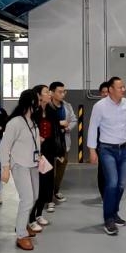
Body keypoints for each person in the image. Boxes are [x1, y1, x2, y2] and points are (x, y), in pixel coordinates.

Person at [87, 77, 126, 236]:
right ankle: (108, 219)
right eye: (120, 87)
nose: (123, 90)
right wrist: (92, 150)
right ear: (110, 90)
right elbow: (92, 128)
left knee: (121, 184)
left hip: (124, 149)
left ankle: (114, 212)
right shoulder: (100, 106)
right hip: (107, 150)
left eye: (124, 87)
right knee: (112, 183)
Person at [0, 90, 41, 251]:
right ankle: (21, 235)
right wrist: (5, 167)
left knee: (35, 196)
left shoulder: (32, 120)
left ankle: (22, 224)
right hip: (19, 164)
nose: (39, 103)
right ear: (31, 102)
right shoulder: (15, 122)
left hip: (33, 163)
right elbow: (4, 146)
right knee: (27, 199)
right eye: (37, 100)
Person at [29, 85, 65, 228]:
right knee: (35, 185)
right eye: (46, 92)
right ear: (38, 95)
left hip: (48, 152)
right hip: (35, 153)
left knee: (47, 184)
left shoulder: (52, 111)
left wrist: (59, 151)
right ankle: (30, 218)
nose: (49, 94)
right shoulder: (32, 112)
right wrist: (36, 139)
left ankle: (39, 214)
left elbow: (57, 133)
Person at [49, 81, 77, 211]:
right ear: (52, 92)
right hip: (50, 142)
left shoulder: (67, 106)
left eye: (64, 92)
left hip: (63, 141)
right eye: (60, 92)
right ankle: (47, 196)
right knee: (49, 169)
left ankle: (55, 191)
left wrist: (68, 128)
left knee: (61, 167)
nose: (62, 94)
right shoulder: (46, 106)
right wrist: (59, 123)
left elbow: (74, 120)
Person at [96, 81, 110, 199]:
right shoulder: (98, 107)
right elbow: (94, 129)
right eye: (103, 92)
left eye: (107, 92)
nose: (105, 94)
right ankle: (103, 194)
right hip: (102, 143)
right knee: (102, 169)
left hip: (115, 144)